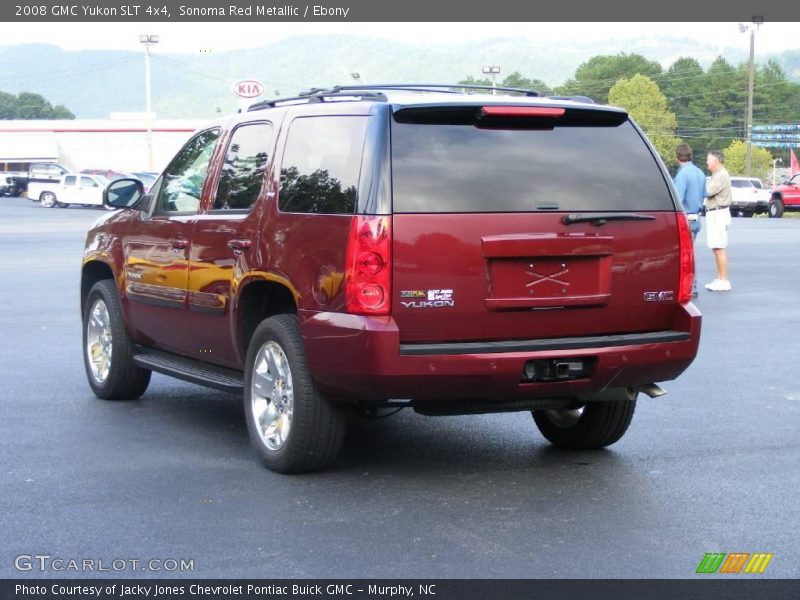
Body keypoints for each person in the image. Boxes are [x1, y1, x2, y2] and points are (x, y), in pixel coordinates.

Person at [672, 144, 705, 298]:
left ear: (677, 157)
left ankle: (691, 287)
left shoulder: (682, 174)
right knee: (691, 253)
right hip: (697, 217)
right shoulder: (700, 172)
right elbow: (705, 193)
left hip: (686, 218)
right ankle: (693, 286)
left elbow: (678, 198)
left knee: (685, 256)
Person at [704, 150, 733, 292]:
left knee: (719, 248)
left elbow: (708, 191)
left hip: (718, 213)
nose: (706, 162)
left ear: (716, 161)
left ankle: (724, 280)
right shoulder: (716, 175)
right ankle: (719, 278)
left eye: (708, 159)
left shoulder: (721, 175)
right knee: (716, 248)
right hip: (715, 213)